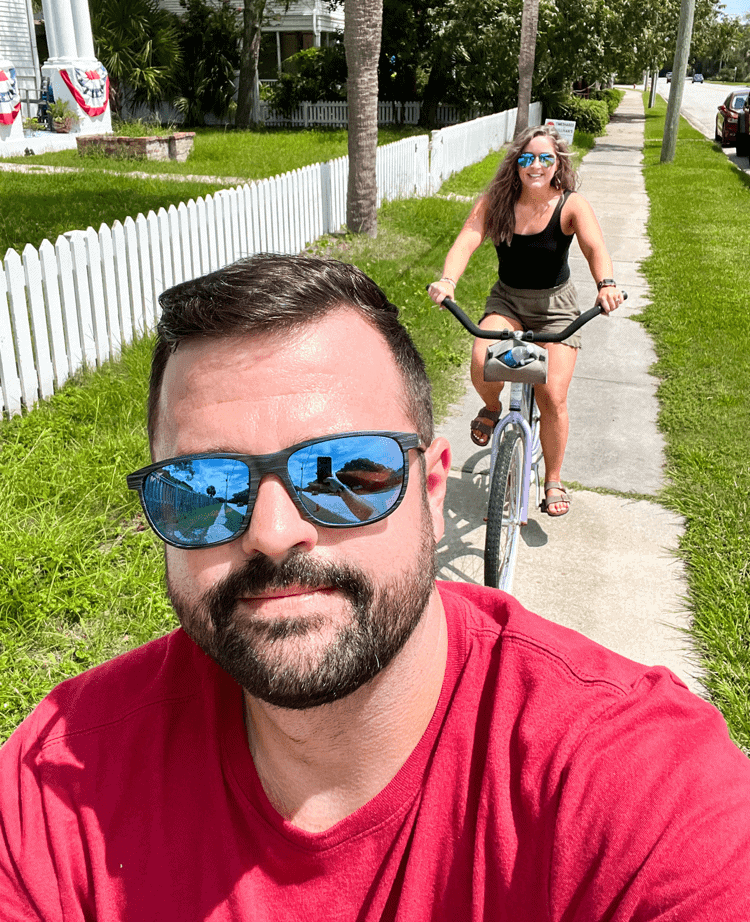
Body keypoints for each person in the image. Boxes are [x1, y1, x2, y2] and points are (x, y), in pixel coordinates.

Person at [1, 255, 748, 921]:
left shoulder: (632, 789)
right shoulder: (61, 780)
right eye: (204, 488)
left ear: (430, 489)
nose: (269, 533)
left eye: (344, 474)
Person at [428, 125, 624, 518]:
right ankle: (490, 407)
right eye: (527, 158)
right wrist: (447, 280)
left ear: (557, 164)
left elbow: (594, 245)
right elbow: (468, 238)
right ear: (516, 164)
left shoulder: (571, 205)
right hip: (509, 300)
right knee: (485, 359)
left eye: (545, 158)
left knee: (552, 394)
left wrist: (606, 284)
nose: (536, 165)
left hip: (557, 307)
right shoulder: (496, 203)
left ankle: (553, 479)